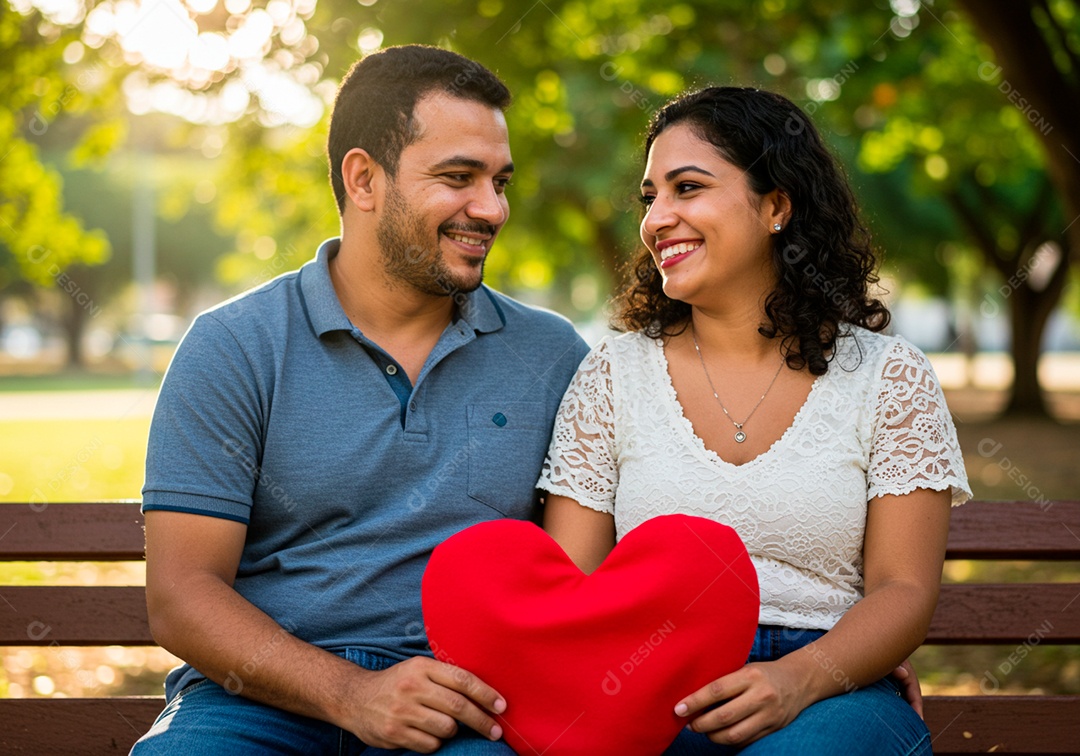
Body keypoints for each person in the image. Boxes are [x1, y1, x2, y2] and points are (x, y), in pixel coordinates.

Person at [132, 45, 588, 755]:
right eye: (459, 178)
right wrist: (354, 695)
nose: (492, 208)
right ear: (364, 178)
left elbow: (578, 579)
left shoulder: (551, 357)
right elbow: (182, 595)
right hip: (259, 702)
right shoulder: (234, 347)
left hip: (465, 707)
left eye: (500, 181)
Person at [538, 86, 971, 755]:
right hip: (654, 683)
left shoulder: (888, 376)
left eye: (687, 187)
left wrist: (802, 678)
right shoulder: (612, 375)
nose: (658, 218)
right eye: (650, 197)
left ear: (776, 206)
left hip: (832, 689)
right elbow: (575, 588)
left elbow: (903, 587)